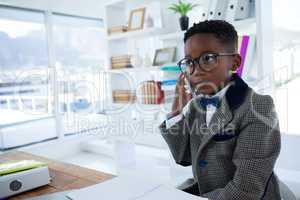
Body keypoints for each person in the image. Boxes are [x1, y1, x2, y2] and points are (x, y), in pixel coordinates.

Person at [159, 20, 281, 200]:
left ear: (235, 62)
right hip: (204, 191)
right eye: (190, 62)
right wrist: (176, 109)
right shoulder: (195, 106)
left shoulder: (259, 107)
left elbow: (245, 191)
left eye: (207, 58)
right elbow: (182, 156)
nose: (195, 71)